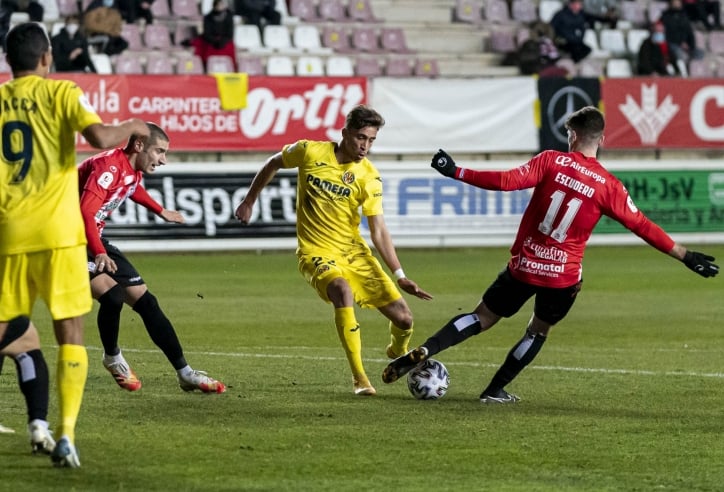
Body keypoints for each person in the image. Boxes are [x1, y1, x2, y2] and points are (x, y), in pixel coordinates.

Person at [383, 106, 719, 403]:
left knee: (481, 317)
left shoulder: (550, 161)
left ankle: (428, 348)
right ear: (601, 140)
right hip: (562, 278)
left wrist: (456, 171)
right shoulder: (608, 186)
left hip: (524, 267)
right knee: (537, 331)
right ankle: (493, 391)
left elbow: (505, 181)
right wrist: (686, 255)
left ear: (572, 135)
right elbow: (642, 226)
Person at [0, 22, 149, 467]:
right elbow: (102, 138)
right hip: (59, 234)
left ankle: (43, 425)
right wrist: (135, 124)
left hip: (10, 232)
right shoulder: (63, 92)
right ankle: (65, 434)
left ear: (9, 62)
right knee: (71, 334)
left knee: (8, 328)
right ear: (47, 58)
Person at [235, 105, 432, 396]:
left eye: (371, 140)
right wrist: (249, 200)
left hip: (354, 253)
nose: (365, 146)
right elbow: (273, 163)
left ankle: (397, 351)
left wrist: (399, 274)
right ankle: (360, 379)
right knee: (341, 290)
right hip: (316, 251)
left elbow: (378, 229)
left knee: (404, 319)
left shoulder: (369, 176)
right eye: (360, 138)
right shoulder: (309, 152)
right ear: (345, 133)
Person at [78, 122, 227, 395]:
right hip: (69, 242)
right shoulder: (107, 168)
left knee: (147, 302)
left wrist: (160, 210)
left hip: (94, 240)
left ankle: (185, 373)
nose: (163, 160)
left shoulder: (130, 171)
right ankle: (112, 358)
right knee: (112, 296)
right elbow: (85, 213)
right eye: (159, 151)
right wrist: (99, 252)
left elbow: (132, 188)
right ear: (138, 146)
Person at [187, 0, 237, 72]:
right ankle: (206, 68)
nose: (220, 7)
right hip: (211, 41)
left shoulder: (229, 17)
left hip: (224, 40)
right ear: (214, 6)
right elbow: (207, 33)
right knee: (207, 48)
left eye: (221, 5)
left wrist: (223, 41)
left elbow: (230, 33)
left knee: (229, 47)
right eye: (218, 5)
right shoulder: (208, 17)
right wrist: (215, 41)